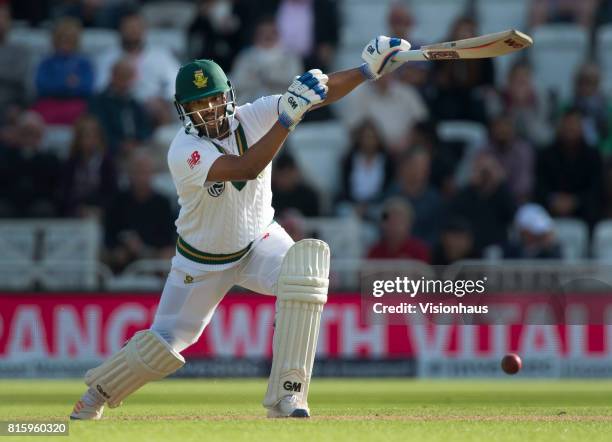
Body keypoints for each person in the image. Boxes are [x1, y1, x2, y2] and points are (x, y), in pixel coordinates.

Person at [70, 35, 412, 420]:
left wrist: (367, 71)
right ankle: (96, 393)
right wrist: (287, 119)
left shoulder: (253, 115)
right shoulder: (183, 150)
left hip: (258, 241)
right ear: (183, 111)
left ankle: (289, 395)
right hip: (200, 261)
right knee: (164, 345)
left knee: (305, 275)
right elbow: (244, 170)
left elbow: (319, 92)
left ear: (228, 95)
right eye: (198, 104)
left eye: (214, 98)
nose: (210, 109)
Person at [103, 149, 176, 274]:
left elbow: (169, 239)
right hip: (124, 262)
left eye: (145, 172)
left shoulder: (162, 203)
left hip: (155, 261)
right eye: (137, 172)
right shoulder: (118, 201)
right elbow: (109, 237)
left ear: (151, 174)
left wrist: (148, 250)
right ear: (129, 174)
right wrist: (120, 250)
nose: (141, 177)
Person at [32, 17, 94, 125]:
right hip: (49, 104)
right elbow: (41, 86)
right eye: (63, 38)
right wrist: (68, 84)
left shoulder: (84, 63)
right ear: (55, 40)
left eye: (70, 39)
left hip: (76, 105)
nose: (66, 42)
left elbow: (87, 87)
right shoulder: (46, 62)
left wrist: (57, 83)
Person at [231, 16, 303, 105]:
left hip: (282, 106)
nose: (268, 36)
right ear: (256, 35)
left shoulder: (290, 57)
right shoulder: (246, 57)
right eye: (263, 32)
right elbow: (236, 83)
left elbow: (296, 82)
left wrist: (269, 77)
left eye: (272, 32)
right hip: (249, 106)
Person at [60, 115, 117, 217]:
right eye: (87, 136)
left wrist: (100, 209)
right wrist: (78, 209)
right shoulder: (70, 163)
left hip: (101, 212)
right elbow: (65, 193)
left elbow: (111, 193)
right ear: (78, 139)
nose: (91, 140)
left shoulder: (108, 163)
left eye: (95, 136)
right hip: (75, 211)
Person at [367, 197, 431, 263]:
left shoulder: (419, 251)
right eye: (390, 220)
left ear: (409, 223)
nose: (393, 225)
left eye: (399, 220)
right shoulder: (374, 251)